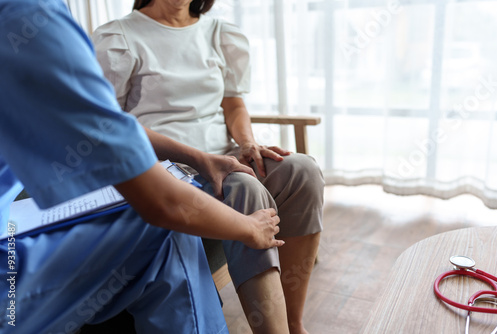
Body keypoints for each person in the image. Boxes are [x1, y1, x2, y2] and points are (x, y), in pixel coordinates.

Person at [0, 0, 285, 333]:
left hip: (14, 220)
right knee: (166, 231)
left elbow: (104, 126)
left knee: (294, 171)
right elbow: (161, 202)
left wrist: (203, 156)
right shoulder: (31, 16)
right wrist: (250, 228)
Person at [92, 0, 325, 333]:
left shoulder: (218, 32)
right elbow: (111, 124)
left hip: (224, 152)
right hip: (167, 167)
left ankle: (293, 323)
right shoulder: (120, 37)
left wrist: (247, 144)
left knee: (302, 171)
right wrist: (199, 158)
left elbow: (233, 104)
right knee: (241, 186)